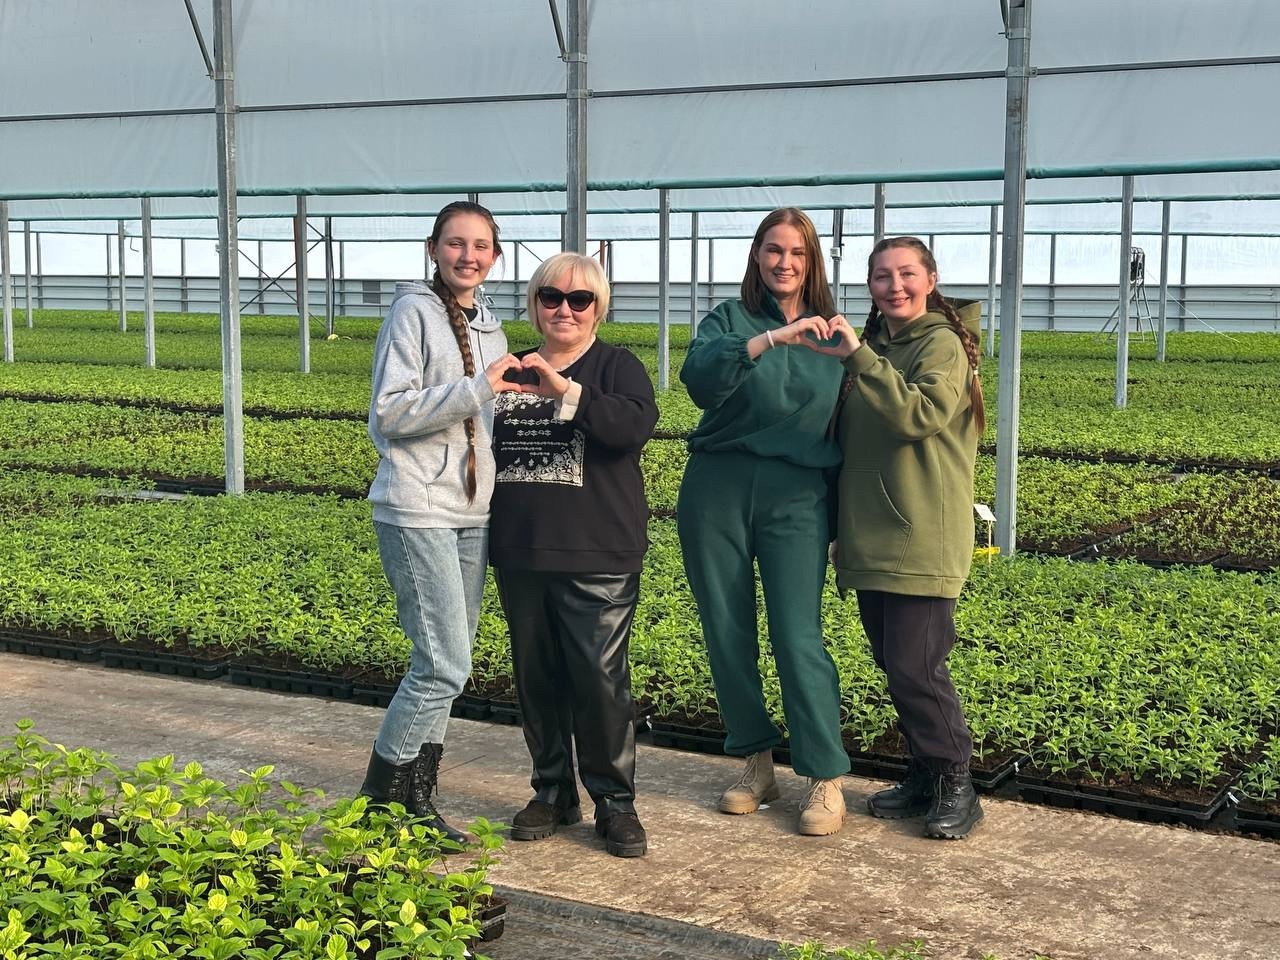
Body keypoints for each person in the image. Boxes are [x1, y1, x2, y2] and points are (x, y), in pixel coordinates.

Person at [676, 207, 851, 836]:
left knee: (797, 633)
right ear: (756, 255)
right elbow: (700, 381)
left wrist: (841, 519)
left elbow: (848, 429)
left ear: (812, 261)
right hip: (718, 485)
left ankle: (824, 774)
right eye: (774, 250)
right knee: (726, 627)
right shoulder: (730, 319)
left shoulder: (836, 334)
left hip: (798, 492)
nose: (785, 262)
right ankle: (755, 760)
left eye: (798, 252)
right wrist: (773, 338)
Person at [359, 201, 523, 842]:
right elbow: (389, 412)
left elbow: (485, 420)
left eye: (480, 246)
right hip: (418, 506)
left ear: (496, 257)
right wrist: (481, 387)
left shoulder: (492, 329)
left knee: (447, 664)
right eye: (455, 243)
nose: (468, 256)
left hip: (472, 511)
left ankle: (417, 799)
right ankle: (381, 798)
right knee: (443, 664)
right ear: (433, 249)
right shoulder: (413, 313)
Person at [489, 252, 658, 858]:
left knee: (600, 681)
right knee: (537, 678)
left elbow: (631, 428)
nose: (565, 309)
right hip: (522, 549)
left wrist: (566, 391)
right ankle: (553, 789)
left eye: (579, 299)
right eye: (552, 297)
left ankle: (615, 801)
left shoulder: (616, 367)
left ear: (597, 308)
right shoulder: (508, 368)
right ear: (535, 304)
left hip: (598, 552)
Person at [820, 235, 986, 840]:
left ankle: (957, 782)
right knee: (896, 664)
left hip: (922, 533)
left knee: (918, 667)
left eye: (908, 273)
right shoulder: (880, 346)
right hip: (872, 533)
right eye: (882, 276)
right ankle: (925, 772)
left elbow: (920, 415)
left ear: (931, 280)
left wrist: (859, 358)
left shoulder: (940, 344)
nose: (895, 286)